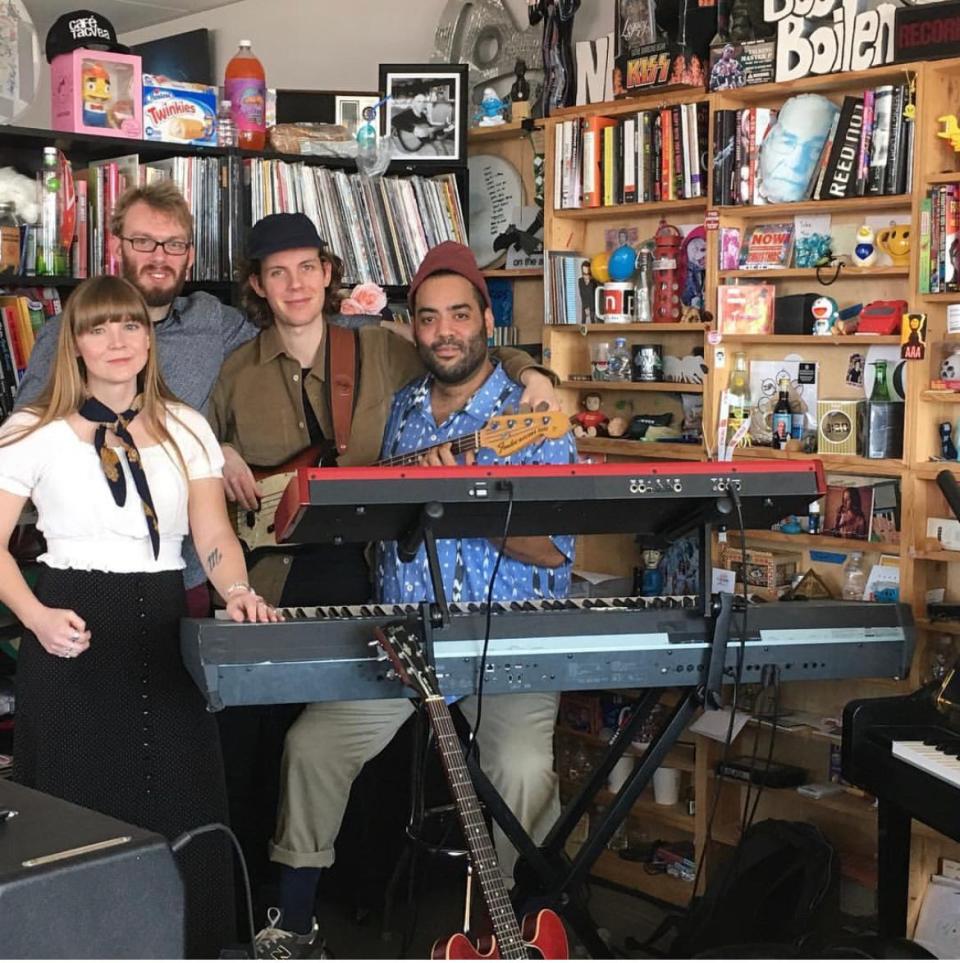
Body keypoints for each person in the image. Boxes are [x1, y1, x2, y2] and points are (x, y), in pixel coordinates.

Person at [205, 214, 557, 929]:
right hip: (403, 636)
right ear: (258, 284)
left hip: (505, 638)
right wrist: (213, 452)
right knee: (308, 747)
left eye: (459, 315)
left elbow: (555, 549)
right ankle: (293, 922)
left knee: (522, 770)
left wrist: (470, 493)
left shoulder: (527, 414)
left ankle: (519, 924)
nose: (442, 330)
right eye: (428, 318)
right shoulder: (401, 405)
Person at [0, 275, 280, 958]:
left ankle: (193, 944)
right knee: (78, 809)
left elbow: (213, 532)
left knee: (185, 798)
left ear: (149, 338)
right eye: (99, 327)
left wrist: (236, 588)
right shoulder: (30, 430)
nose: (118, 340)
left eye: (130, 325)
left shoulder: (187, 426)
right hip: (72, 626)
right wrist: (34, 614)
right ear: (76, 343)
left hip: (162, 624)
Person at [15, 181, 259, 618]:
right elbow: (29, 439)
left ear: (189, 253)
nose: (159, 256)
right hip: (83, 577)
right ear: (117, 246)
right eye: (144, 241)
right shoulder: (63, 334)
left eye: (173, 244)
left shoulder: (211, 321)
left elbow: (294, 332)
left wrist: (386, 326)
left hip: (183, 576)